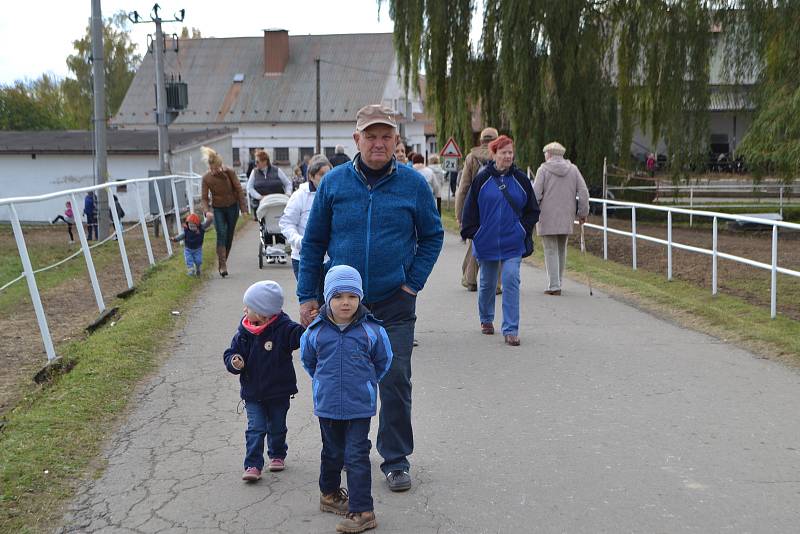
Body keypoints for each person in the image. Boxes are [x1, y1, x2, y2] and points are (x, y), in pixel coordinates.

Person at [297, 104, 443, 492]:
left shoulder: (412, 184)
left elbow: (433, 235)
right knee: (341, 381)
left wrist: (412, 281)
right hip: (342, 307)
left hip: (394, 302)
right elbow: (312, 243)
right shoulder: (334, 184)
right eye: (371, 136)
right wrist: (308, 296)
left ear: (396, 140)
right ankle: (345, 455)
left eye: (386, 136)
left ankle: (395, 459)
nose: (378, 143)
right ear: (356, 139)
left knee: (394, 379)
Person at [300, 266, 392, 533]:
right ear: (328, 297)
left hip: (358, 406)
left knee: (356, 455)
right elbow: (309, 361)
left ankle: (363, 510)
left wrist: (367, 382)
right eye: (338, 296)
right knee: (332, 453)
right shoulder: (315, 331)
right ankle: (329, 495)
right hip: (327, 404)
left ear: (360, 298)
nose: (345, 302)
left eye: (352, 296)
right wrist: (321, 383)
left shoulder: (372, 330)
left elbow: (383, 361)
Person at [460, 135, 540, 347]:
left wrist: (522, 229)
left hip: (512, 241)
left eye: (510, 152)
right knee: (486, 283)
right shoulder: (482, 178)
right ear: (493, 154)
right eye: (503, 152)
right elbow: (471, 208)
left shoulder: (521, 180)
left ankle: (511, 329)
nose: (507, 156)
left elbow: (533, 210)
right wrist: (474, 232)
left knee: (511, 280)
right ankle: (486, 318)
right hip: (486, 241)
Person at [223, 281, 304, 481]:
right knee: (256, 428)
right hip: (253, 392)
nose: (244, 310)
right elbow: (231, 352)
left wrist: (308, 325)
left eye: (248, 307)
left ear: (262, 313)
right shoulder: (244, 332)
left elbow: (299, 337)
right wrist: (234, 361)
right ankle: (252, 464)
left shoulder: (283, 328)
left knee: (277, 426)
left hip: (279, 391)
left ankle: (277, 454)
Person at [533, 141, 590, 296]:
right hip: (566, 215)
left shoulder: (543, 169)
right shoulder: (573, 169)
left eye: (545, 154)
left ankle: (554, 285)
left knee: (550, 249)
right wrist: (582, 212)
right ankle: (558, 282)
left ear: (549, 154)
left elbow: (536, 194)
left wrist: (531, 212)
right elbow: (583, 191)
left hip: (547, 215)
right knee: (561, 248)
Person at [455, 127, 501, 293]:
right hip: (497, 206)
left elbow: (463, 188)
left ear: (481, 140)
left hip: (476, 208)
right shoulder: (502, 155)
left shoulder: (471, 157)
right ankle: (496, 283)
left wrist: (460, 214)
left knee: (476, 240)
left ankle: (470, 280)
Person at [279, 154, 331, 281]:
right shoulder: (300, 196)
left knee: (329, 299)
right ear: (311, 176)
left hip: (330, 259)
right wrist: (301, 242)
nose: (326, 178)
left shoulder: (335, 195)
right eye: (321, 174)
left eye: (328, 174)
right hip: (304, 258)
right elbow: (286, 223)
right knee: (310, 299)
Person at [200, 146, 248, 277]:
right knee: (221, 233)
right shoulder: (206, 178)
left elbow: (239, 190)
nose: (214, 171)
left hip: (232, 207)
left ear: (220, 165)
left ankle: (223, 261)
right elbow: (204, 198)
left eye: (216, 168)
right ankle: (222, 265)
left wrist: (244, 209)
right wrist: (206, 211)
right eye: (211, 169)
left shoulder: (230, 173)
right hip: (218, 208)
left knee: (229, 235)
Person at [247, 150, 293, 219]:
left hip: (278, 203)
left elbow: (288, 183)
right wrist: (259, 197)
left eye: (257, 162)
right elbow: (249, 188)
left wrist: (288, 193)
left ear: (265, 161)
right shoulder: (254, 172)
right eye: (255, 161)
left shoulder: (277, 170)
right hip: (262, 204)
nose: (255, 164)